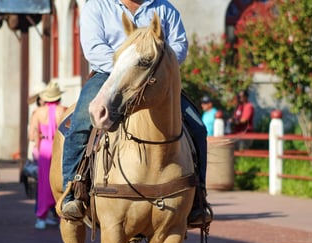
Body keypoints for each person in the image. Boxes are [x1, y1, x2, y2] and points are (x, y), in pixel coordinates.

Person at [61, 0, 211, 227]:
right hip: (109, 76)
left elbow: (179, 44)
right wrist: (128, 65)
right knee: (82, 120)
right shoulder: (98, 6)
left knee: (197, 126)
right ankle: (73, 190)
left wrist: (156, 63)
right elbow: (93, 47)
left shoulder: (165, 8)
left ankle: (198, 199)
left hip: (155, 77)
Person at [30, 82, 67, 229]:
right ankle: (61, 217)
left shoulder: (38, 112)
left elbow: (32, 135)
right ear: (58, 97)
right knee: (60, 181)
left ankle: (41, 218)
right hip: (59, 148)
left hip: (44, 148)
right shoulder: (63, 110)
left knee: (44, 183)